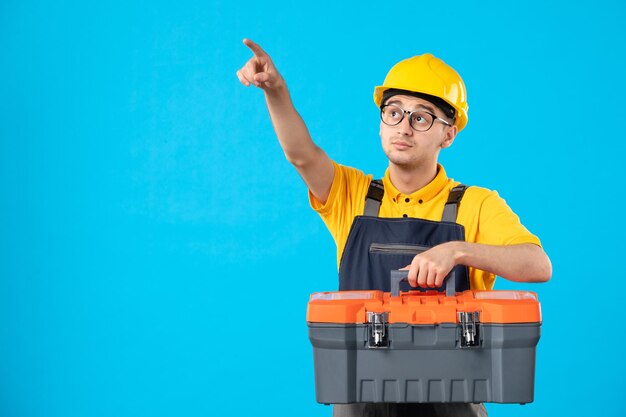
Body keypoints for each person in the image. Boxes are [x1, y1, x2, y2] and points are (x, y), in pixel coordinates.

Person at [237, 38, 551, 417]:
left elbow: (538, 265)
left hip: (453, 400)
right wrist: (275, 91)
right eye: (394, 112)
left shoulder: (476, 204)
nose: (403, 127)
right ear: (381, 122)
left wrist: (458, 250)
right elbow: (301, 155)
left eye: (421, 117)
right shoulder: (351, 196)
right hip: (360, 401)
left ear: (448, 134)